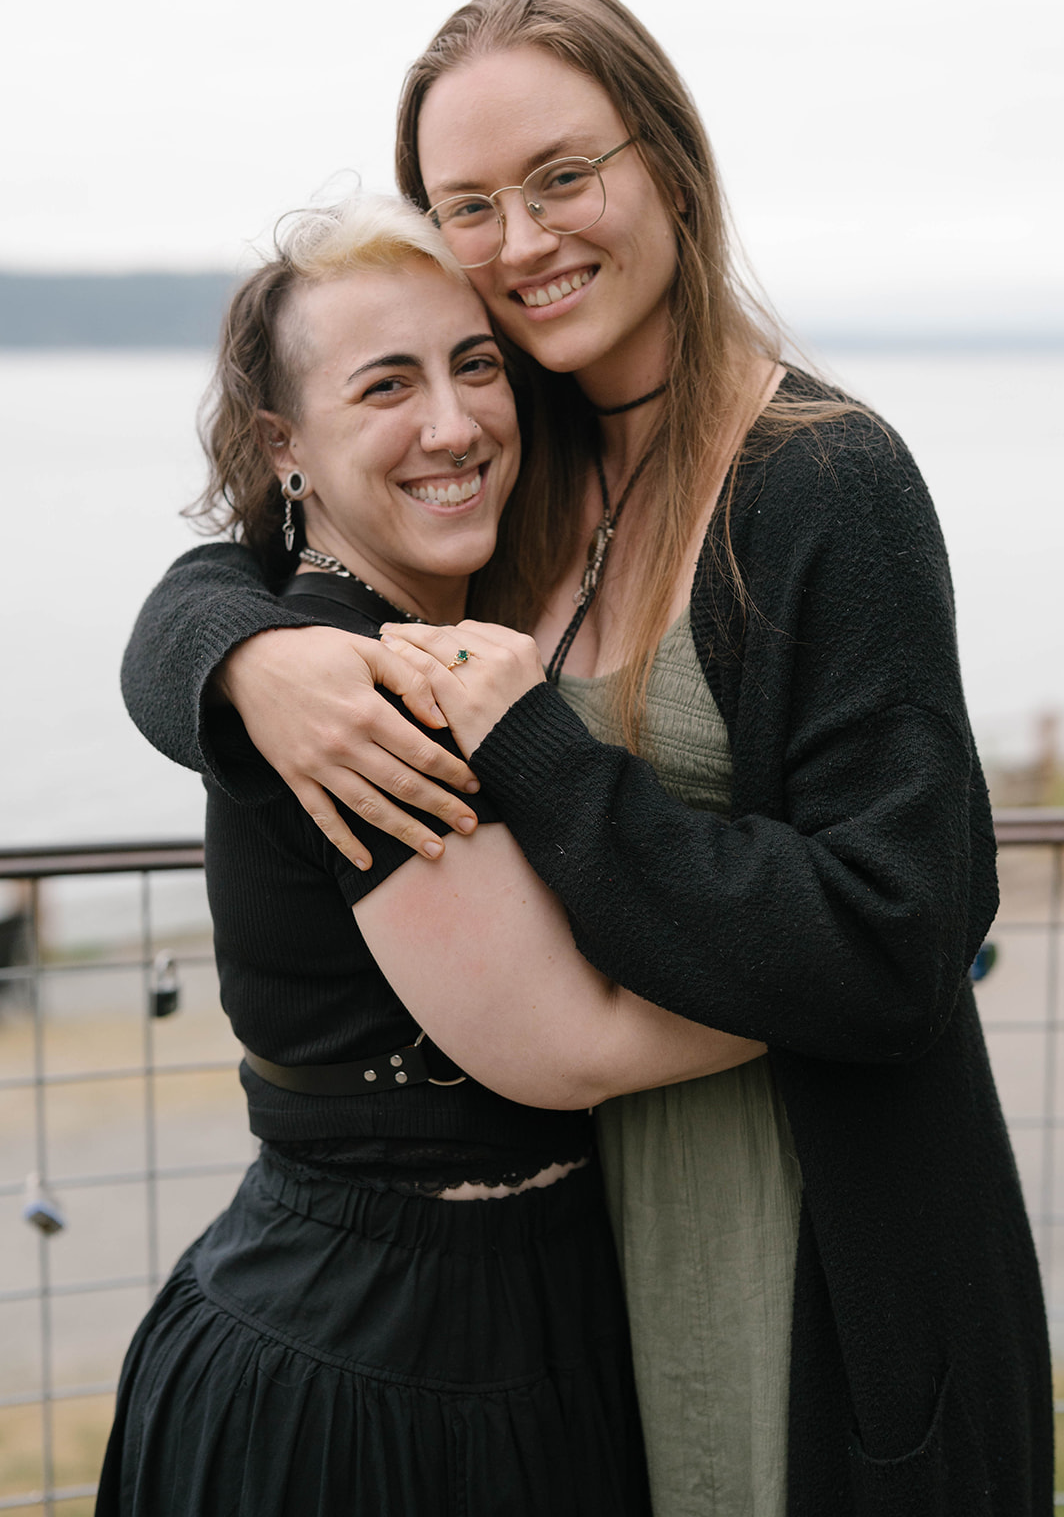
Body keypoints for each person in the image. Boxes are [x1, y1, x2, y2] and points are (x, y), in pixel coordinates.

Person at [119, 0, 1053, 1517]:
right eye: (469, 203)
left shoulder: (825, 486)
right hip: (595, 1269)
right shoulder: (521, 456)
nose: (526, 240)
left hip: (824, 1243)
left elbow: (898, 933)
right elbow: (256, 554)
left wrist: (542, 750)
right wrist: (243, 662)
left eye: (564, 175)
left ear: (667, 159)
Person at [96, 191, 765, 1517]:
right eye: (386, 385)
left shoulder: (432, 635)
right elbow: (565, 1048)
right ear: (287, 446)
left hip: (489, 1320)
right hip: (381, 1378)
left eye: (475, 366)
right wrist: (868, 969)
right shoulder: (363, 689)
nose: (454, 424)